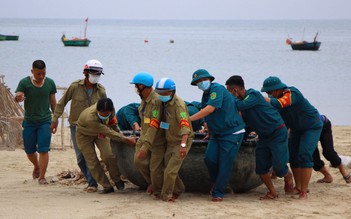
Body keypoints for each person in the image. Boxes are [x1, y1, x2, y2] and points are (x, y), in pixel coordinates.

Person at [225, 75, 293, 200]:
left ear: (234, 90)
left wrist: (228, 98)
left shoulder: (253, 95)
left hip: (277, 132)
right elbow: (247, 125)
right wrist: (241, 139)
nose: (228, 95)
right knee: (261, 168)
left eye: (228, 91)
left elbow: (240, 106)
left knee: (279, 167)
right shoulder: (243, 106)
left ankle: (288, 176)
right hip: (264, 136)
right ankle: (272, 192)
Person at [261, 76, 323, 199]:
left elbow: (280, 103)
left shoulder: (292, 92)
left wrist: (260, 99)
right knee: (293, 156)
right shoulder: (274, 98)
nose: (268, 94)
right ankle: (298, 187)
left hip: (311, 126)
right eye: (266, 93)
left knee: (304, 154)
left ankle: (304, 191)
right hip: (295, 128)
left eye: (269, 92)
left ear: (277, 89)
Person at [50, 59, 107, 193]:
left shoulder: (101, 90)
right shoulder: (75, 87)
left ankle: (96, 183)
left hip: (95, 127)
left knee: (100, 154)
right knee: (81, 157)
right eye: (93, 73)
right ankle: (90, 181)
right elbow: (61, 103)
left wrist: (105, 128)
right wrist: (55, 119)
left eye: (98, 74)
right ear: (85, 73)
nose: (96, 76)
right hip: (77, 127)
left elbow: (106, 109)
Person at [189, 69, 245, 202]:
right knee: (210, 159)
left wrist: (189, 119)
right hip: (217, 134)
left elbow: (209, 109)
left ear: (209, 79)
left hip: (232, 132)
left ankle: (218, 192)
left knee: (225, 162)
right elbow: (209, 116)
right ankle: (219, 183)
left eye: (203, 80)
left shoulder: (217, 89)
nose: (201, 83)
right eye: (198, 82)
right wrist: (209, 132)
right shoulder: (205, 94)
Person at [76, 98, 136, 193]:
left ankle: (116, 179)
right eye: (102, 114)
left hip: (100, 133)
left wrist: (119, 133)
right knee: (92, 161)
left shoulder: (112, 111)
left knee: (109, 155)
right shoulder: (91, 117)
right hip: (84, 134)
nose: (104, 116)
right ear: (98, 111)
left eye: (106, 114)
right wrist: (125, 139)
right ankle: (106, 185)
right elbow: (107, 131)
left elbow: (113, 124)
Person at [15, 60, 57, 185]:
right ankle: (36, 166)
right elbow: (18, 96)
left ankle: (42, 177)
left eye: (43, 73)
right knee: (29, 151)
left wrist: (55, 119)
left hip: (45, 121)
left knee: (44, 149)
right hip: (29, 122)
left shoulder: (50, 83)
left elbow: (53, 102)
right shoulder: (24, 82)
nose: (41, 76)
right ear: (32, 71)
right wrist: (18, 97)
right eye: (38, 74)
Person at [154, 78, 194, 202]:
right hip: (171, 140)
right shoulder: (164, 103)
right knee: (167, 167)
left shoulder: (179, 105)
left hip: (181, 140)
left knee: (170, 171)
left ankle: (167, 195)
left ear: (171, 92)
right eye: (158, 93)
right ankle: (179, 189)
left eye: (163, 93)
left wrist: (183, 145)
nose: (160, 95)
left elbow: (185, 126)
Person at [130, 72, 165, 198]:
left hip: (155, 139)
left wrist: (145, 147)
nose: (135, 89)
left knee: (156, 169)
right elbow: (145, 120)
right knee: (138, 161)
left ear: (142, 86)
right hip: (144, 135)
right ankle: (152, 183)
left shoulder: (156, 101)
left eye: (136, 86)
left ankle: (158, 191)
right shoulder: (144, 100)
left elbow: (153, 125)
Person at [313, 115, 351, 184]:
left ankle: (345, 174)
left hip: (323, 125)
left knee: (328, 153)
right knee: (312, 156)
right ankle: (327, 177)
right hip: (306, 130)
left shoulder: (300, 108)